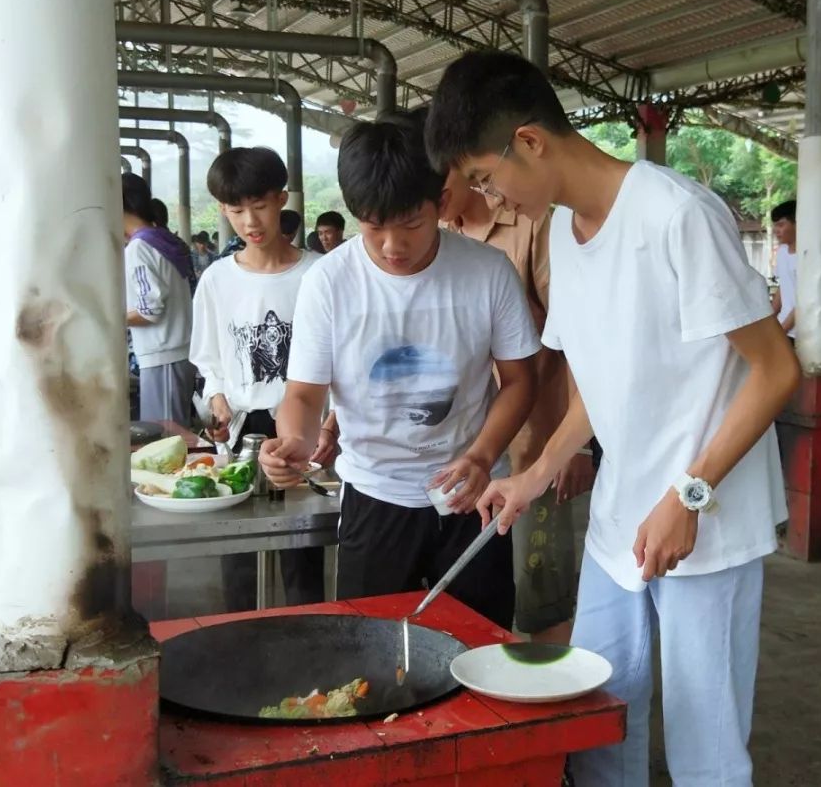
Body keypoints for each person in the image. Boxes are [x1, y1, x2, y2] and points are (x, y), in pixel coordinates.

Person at [426, 51, 800, 787]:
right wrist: (533, 474)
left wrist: (688, 497)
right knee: (596, 711)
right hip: (618, 521)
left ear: (529, 141)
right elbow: (602, 380)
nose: (489, 199)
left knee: (705, 735)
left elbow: (775, 370)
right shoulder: (565, 231)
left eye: (484, 178)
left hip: (706, 524)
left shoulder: (677, 215)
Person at [259, 113, 539, 630]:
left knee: (481, 642)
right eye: (372, 226)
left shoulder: (485, 271)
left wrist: (482, 456)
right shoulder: (329, 282)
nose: (392, 245)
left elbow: (521, 380)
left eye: (411, 223)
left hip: (472, 496)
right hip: (375, 494)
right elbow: (303, 392)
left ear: (442, 200)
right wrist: (293, 440)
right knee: (369, 646)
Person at [438, 166, 593, 645]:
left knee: (541, 586)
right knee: (470, 596)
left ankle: (549, 705)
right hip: (463, 454)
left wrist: (575, 446)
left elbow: (575, 334)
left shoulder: (534, 223)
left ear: (465, 166)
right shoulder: (433, 230)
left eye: (438, 179)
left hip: (535, 445)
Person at [190, 146, 327, 612]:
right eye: (236, 210)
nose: (250, 220)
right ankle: (241, 635)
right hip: (243, 429)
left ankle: (307, 637)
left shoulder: (318, 274)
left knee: (301, 548)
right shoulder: (216, 280)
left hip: (300, 430)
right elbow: (208, 358)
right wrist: (217, 396)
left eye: (261, 205)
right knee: (239, 550)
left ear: (281, 199)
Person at [122, 173, 196, 425]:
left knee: (164, 442)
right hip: (178, 353)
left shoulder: (139, 247)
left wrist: (111, 320)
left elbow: (149, 310)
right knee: (174, 438)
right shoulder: (165, 239)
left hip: (162, 355)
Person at [770, 200, 797, 345]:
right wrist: (769, 320)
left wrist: (782, 331)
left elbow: (803, 304)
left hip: (798, 332)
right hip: (783, 327)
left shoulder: (807, 258)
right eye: (775, 225)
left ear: (797, 224)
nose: (776, 230)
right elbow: (783, 288)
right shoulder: (782, 252)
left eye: (781, 225)